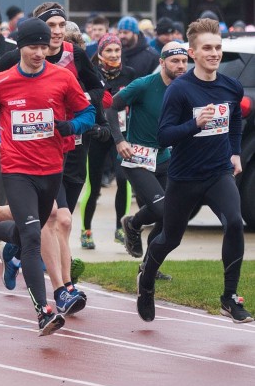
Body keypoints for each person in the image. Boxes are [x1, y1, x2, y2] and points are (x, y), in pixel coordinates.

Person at [0, 18, 95, 336]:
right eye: (33, 47)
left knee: (27, 233)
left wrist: (72, 127)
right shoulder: (3, 82)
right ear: (20, 47)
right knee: (35, 235)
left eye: (43, 46)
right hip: (16, 168)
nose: (39, 52)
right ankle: (44, 309)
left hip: (51, 168)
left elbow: (87, 112)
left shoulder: (62, 79)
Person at [137, 18, 252, 324]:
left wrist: (236, 152)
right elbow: (164, 136)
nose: (214, 53)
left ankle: (229, 297)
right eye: (207, 48)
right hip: (185, 177)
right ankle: (146, 282)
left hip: (218, 173)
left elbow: (236, 120)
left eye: (217, 47)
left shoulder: (231, 85)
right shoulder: (180, 90)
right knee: (170, 238)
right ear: (192, 53)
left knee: (234, 224)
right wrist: (194, 124)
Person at [110, 42, 188, 275]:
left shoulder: (184, 88)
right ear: (162, 62)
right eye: (175, 61)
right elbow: (112, 108)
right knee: (162, 208)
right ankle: (132, 224)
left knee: (168, 217)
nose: (181, 65)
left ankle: (148, 266)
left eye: (184, 61)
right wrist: (119, 140)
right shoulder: (143, 85)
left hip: (164, 158)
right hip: (137, 158)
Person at [78, 34, 136, 248]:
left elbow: (135, 104)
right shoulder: (91, 75)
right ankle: (86, 230)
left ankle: (121, 229)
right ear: (100, 54)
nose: (113, 55)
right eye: (109, 51)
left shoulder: (129, 74)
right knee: (93, 186)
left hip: (120, 138)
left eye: (117, 51)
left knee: (124, 180)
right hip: (97, 137)